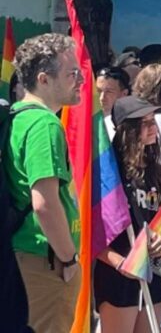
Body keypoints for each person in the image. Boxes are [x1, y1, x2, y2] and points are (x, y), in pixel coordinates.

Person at [3, 34, 83, 333]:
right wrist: (68, 258)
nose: (81, 80)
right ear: (44, 80)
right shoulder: (44, 124)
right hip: (43, 259)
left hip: (23, 255)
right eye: (72, 73)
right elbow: (44, 203)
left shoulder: (17, 115)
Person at [95, 96, 161, 332]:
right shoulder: (109, 175)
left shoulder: (159, 174)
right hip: (118, 275)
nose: (153, 127)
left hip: (153, 274)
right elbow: (92, 230)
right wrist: (119, 263)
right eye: (144, 123)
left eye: (153, 121)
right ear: (127, 130)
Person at [97, 64, 131, 137]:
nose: (102, 97)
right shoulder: (85, 120)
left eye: (109, 91)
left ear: (124, 94)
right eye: (98, 91)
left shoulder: (130, 124)